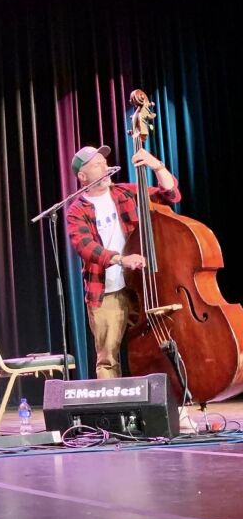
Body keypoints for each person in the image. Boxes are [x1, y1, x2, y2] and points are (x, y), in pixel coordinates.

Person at [66, 144, 180, 379]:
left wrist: (156, 165)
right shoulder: (76, 210)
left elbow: (170, 195)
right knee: (107, 359)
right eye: (97, 165)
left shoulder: (123, 192)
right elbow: (86, 247)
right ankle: (114, 413)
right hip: (106, 290)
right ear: (82, 176)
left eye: (105, 163)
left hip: (142, 285)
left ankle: (174, 405)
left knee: (162, 345)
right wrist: (121, 260)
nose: (106, 167)